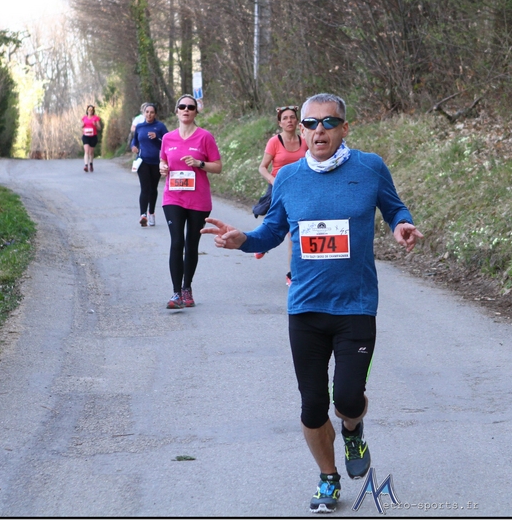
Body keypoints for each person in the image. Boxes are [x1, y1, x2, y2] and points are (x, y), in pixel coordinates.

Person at [201, 93, 423, 513]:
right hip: (305, 308)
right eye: (311, 123)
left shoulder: (370, 167)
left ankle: (352, 430)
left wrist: (402, 225)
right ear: (300, 130)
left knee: (349, 399)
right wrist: (243, 240)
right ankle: (328, 477)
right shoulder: (288, 177)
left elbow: (395, 208)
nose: (319, 130)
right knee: (312, 406)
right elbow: (272, 231)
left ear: (344, 128)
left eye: (329, 122)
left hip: (356, 305)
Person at [159, 94, 222, 309]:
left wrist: (199, 163)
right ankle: (176, 293)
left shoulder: (205, 137)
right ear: (176, 111)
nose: (186, 110)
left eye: (191, 107)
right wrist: (162, 168)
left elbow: (218, 166)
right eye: (182, 106)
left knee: (191, 244)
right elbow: (163, 160)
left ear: (196, 112)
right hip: (173, 197)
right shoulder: (168, 138)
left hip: (198, 199)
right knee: (177, 242)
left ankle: (187, 287)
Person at [255, 105, 307, 285]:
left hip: (299, 189)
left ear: (297, 121)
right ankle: (264, 243)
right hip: (278, 187)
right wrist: (273, 180)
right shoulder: (274, 142)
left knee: (294, 231)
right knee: (278, 224)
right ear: (280, 123)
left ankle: (291, 274)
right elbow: (262, 167)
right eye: (285, 118)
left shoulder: (305, 141)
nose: (289, 120)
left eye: (292, 117)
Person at [131, 103, 168, 227]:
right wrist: (133, 146)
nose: (149, 114)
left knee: (153, 188)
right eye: (147, 112)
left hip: (156, 162)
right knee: (145, 188)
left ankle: (151, 213)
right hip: (143, 161)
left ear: (155, 114)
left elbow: (168, 143)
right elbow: (135, 140)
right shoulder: (140, 127)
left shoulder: (160, 127)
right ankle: (143, 215)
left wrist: (157, 138)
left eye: (152, 112)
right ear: (144, 113)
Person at [81, 105, 102, 172]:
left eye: (91, 110)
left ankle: (91, 164)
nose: (90, 111)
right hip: (85, 136)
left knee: (91, 152)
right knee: (86, 151)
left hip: (93, 137)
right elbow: (81, 126)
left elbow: (99, 128)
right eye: (89, 110)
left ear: (93, 111)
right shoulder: (84, 118)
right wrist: (82, 125)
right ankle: (86, 165)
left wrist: (95, 125)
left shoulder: (96, 118)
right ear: (87, 110)